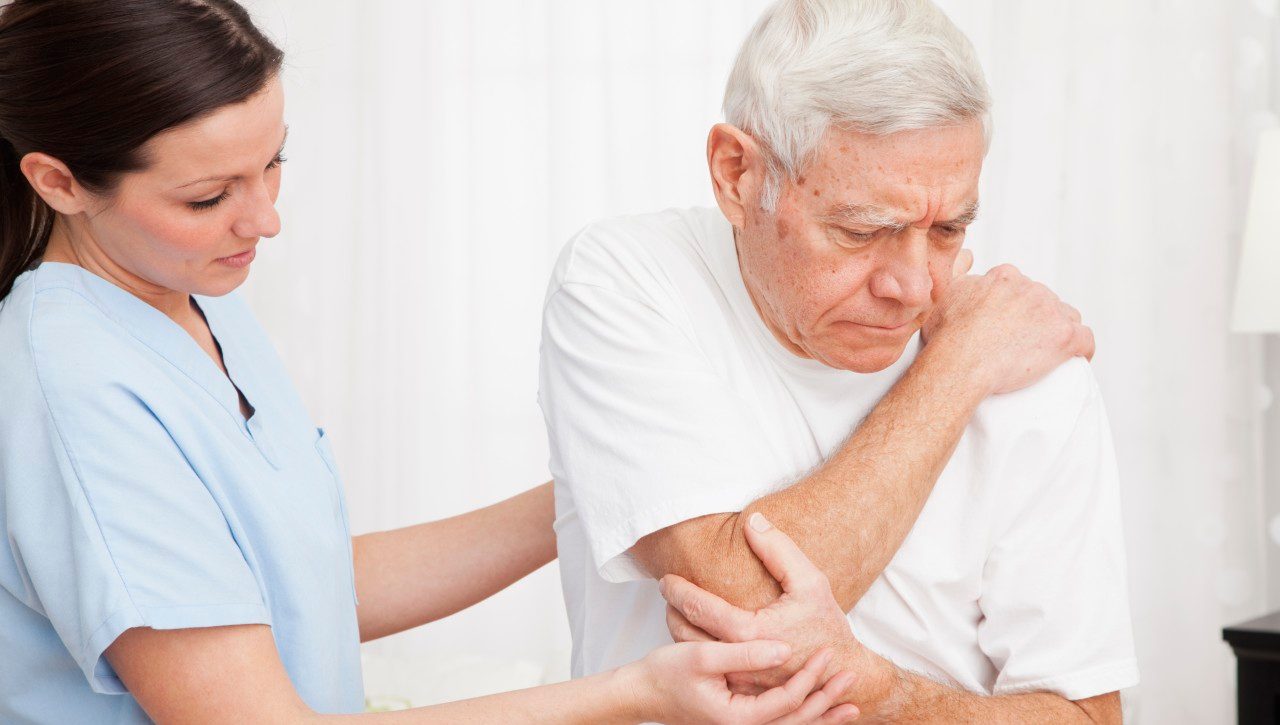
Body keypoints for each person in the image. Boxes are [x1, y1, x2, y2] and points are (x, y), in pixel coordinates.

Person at [0, 2, 865, 723]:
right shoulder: (73, 386)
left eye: (274, 163)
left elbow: (304, 583)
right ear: (59, 182)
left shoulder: (186, 292)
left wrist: (622, 486)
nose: (265, 220)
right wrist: (631, 691)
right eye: (208, 196)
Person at [537, 0, 1137, 722]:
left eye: (948, 228)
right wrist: (955, 371)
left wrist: (885, 693)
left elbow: (1089, 716)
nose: (913, 287)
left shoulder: (1031, 367)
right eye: (862, 231)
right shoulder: (626, 281)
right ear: (736, 175)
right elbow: (745, 611)